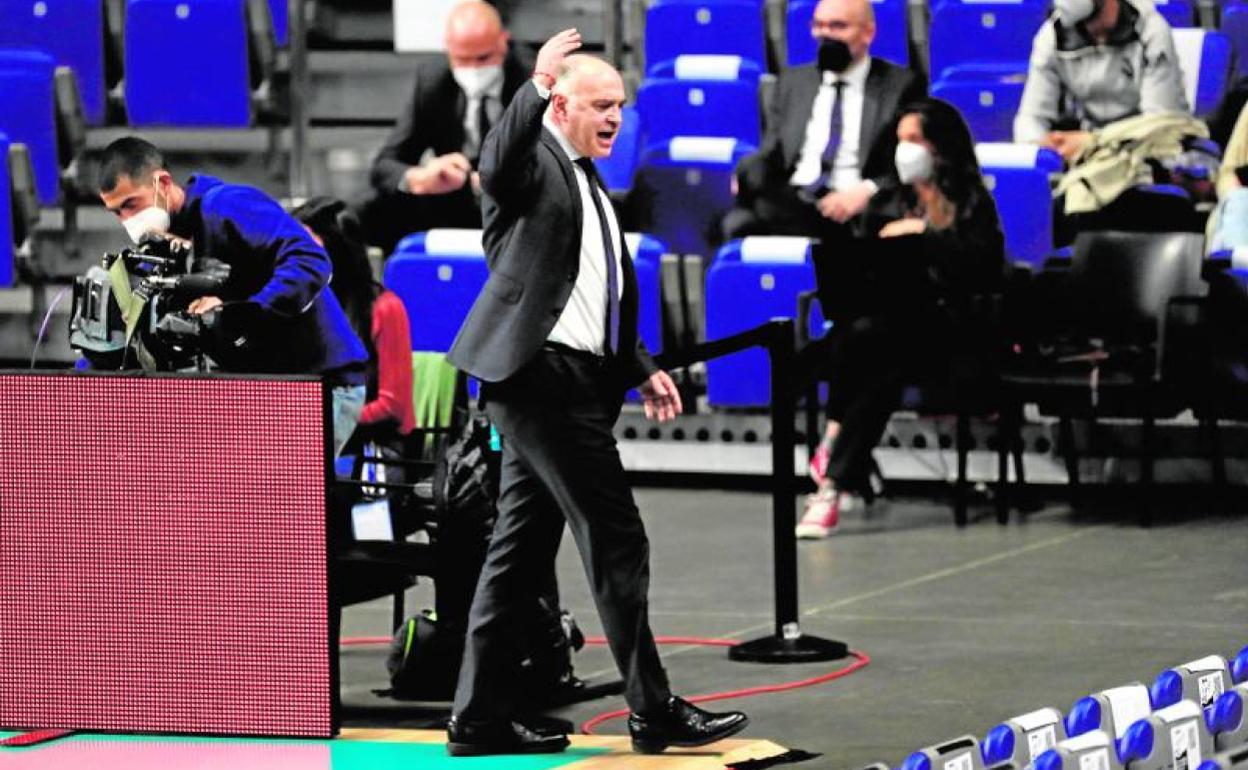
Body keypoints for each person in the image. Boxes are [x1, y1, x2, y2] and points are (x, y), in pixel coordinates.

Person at [442, 30, 748, 756]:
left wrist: (639, 364)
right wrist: (537, 80)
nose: (615, 117)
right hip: (539, 379)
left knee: (517, 555)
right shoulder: (530, 165)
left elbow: (593, 289)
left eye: (620, 105)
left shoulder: (588, 178)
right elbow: (495, 158)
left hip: (567, 376)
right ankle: (653, 707)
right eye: (599, 104)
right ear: (559, 105)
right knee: (616, 537)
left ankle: (478, 718)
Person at [798, 98, 1006, 538]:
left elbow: (982, 271)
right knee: (878, 351)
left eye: (914, 140)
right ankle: (833, 481)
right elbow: (864, 270)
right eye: (900, 140)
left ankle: (833, 454)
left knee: (874, 342)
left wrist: (926, 237)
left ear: (939, 146)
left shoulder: (972, 201)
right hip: (890, 333)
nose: (904, 149)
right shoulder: (890, 200)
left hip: (951, 334)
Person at [97, 137, 369, 458]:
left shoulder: (227, 205)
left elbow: (309, 260)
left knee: (281, 500)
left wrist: (241, 313)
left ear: (163, 183)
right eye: (116, 212)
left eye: (131, 204)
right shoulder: (159, 249)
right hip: (261, 388)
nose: (127, 220)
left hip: (321, 383)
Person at [722, 0, 925, 244]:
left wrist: (866, 190)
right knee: (736, 220)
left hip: (859, 205)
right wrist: (746, 170)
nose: (825, 34)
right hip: (796, 201)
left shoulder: (901, 87)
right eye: (818, 25)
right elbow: (772, 150)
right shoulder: (792, 83)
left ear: (868, 33)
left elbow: (908, 164)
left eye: (838, 26)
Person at [357, 0, 531, 254]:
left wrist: (505, 178)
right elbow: (386, 165)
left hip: (518, 204)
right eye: (462, 60)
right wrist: (421, 178)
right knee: (366, 208)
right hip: (454, 200)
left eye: (483, 58)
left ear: (504, 42)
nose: (473, 69)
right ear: (448, 49)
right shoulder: (433, 81)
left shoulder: (534, 79)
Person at [292, 196, 416, 450]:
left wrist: (318, 425)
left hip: (369, 444)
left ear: (337, 250)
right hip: (314, 441)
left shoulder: (384, 308)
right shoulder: (300, 303)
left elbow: (392, 405)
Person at [1013, 0, 1188, 164]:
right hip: (1087, 156)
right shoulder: (1052, 36)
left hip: (1148, 157)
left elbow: (1159, 126)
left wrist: (1093, 142)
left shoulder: (1151, 31)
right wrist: (1044, 145)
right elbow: (1030, 118)